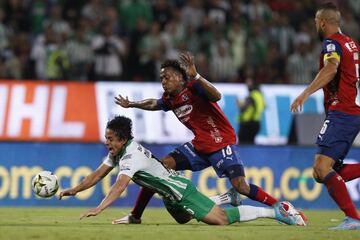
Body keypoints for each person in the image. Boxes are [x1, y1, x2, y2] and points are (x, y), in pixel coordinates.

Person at [114, 52, 287, 224]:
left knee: (241, 186)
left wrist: (196, 76)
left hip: (221, 141)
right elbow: (154, 103)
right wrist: (131, 104)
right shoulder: (170, 99)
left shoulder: (193, 87)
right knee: (160, 167)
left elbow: (217, 96)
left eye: (166, 77)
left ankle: (281, 207)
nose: (163, 82)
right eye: (161, 79)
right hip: (200, 144)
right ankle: (135, 215)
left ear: (180, 78)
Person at [59, 115, 306, 226]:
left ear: (122, 139)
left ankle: (275, 214)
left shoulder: (131, 157)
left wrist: (100, 208)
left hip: (181, 190)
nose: (107, 142)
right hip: (170, 197)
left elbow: (120, 185)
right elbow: (97, 174)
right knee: (185, 218)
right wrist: (74, 190)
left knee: (219, 220)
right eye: (106, 138)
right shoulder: (118, 152)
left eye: (111, 139)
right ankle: (225, 197)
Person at [290, 2, 360, 230]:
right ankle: (353, 218)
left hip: (343, 111)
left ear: (323, 23)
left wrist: (305, 93)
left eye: (315, 23)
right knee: (327, 171)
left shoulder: (332, 43)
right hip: (349, 110)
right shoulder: (351, 43)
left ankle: (354, 219)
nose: (315, 27)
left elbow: (331, 69)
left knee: (321, 168)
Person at [237, 77, 265, 144]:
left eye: (249, 83)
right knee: (251, 143)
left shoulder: (252, 95)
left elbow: (244, 107)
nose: (247, 85)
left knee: (243, 144)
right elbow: (264, 106)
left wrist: (239, 104)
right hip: (256, 122)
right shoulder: (260, 95)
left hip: (248, 123)